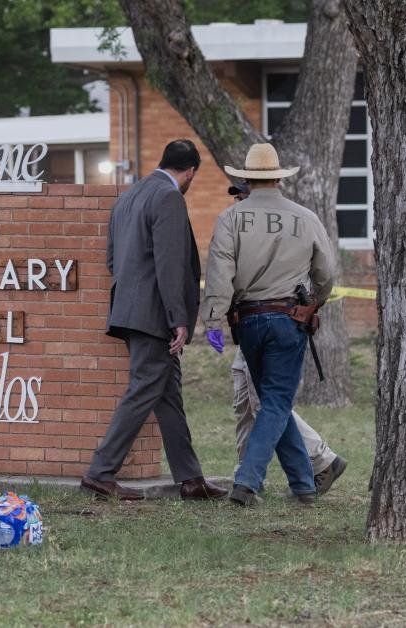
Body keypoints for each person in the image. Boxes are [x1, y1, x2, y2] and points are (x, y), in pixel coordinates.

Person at [81, 139, 227, 501]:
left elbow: (113, 261)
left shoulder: (128, 197)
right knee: (145, 388)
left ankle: (191, 479)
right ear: (190, 171)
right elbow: (169, 263)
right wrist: (178, 319)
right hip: (154, 315)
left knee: (168, 394)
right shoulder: (168, 197)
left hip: (130, 311)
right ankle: (100, 472)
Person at [202, 143, 335, 506]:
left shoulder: (231, 218)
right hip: (288, 319)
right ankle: (246, 483)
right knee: (276, 402)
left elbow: (219, 274)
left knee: (273, 402)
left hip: (247, 321)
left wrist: (212, 320)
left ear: (246, 177)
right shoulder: (305, 217)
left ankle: (303, 486)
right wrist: (315, 303)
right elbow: (327, 274)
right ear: (278, 177)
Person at [225, 183, 347, 495]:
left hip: (265, 317)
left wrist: (311, 304)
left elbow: (323, 272)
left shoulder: (277, 221)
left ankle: (252, 478)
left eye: (243, 194)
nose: (239, 200)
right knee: (257, 399)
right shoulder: (243, 220)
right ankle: (303, 480)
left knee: (269, 401)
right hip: (257, 319)